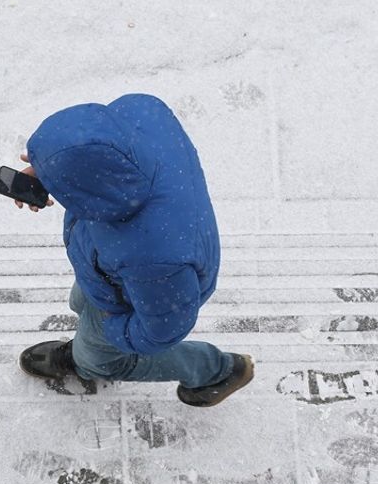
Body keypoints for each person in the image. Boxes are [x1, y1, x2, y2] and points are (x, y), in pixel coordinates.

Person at [13, 93, 253, 407]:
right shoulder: (140, 110)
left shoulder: (155, 259)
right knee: (79, 302)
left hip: (139, 292)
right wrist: (53, 170)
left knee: (100, 357)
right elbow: (94, 149)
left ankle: (218, 371)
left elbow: (165, 328)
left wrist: (116, 330)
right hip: (109, 259)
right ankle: (87, 347)